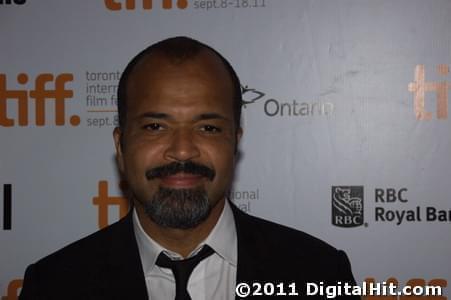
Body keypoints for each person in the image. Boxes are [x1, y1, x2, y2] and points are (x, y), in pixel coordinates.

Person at [20, 36, 359, 299]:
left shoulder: (319, 273)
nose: (182, 149)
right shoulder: (54, 285)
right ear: (120, 147)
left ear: (235, 142)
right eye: (155, 126)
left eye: (208, 127)